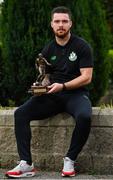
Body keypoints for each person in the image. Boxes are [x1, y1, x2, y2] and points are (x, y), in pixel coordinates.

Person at [5, 6, 93, 178]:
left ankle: (70, 159)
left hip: (75, 94)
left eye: (64, 21)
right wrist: (40, 85)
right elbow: (46, 77)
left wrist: (64, 86)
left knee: (84, 116)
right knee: (21, 113)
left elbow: (87, 77)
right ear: (51, 25)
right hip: (53, 95)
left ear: (70, 24)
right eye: (57, 21)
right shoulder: (48, 50)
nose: (61, 25)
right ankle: (26, 164)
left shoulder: (82, 46)